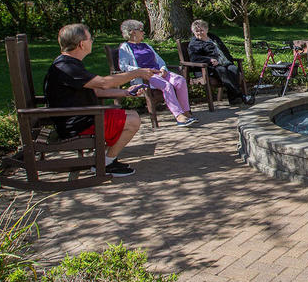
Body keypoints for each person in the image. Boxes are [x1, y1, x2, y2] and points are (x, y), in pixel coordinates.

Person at [44, 23, 156, 177]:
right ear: (81, 44)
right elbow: (104, 83)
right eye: (90, 38)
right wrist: (137, 73)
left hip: (82, 117)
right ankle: (106, 163)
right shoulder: (66, 67)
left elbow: (96, 89)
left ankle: (105, 159)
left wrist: (126, 92)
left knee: (131, 116)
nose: (92, 41)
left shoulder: (69, 63)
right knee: (133, 120)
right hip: (77, 123)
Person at [118, 19, 196, 127]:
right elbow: (123, 66)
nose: (143, 32)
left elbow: (159, 60)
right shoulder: (125, 47)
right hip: (146, 76)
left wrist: (163, 69)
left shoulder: (146, 45)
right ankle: (179, 116)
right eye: (141, 30)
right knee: (166, 85)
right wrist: (142, 70)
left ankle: (187, 112)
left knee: (180, 80)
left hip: (158, 73)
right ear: (132, 32)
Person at [188, 19, 254, 106]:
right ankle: (241, 96)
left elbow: (224, 50)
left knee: (233, 69)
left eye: (201, 30)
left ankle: (233, 99)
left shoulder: (213, 37)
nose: (199, 33)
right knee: (222, 70)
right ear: (193, 32)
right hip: (208, 68)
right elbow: (194, 58)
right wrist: (209, 60)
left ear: (206, 29)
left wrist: (229, 59)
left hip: (224, 63)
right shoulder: (194, 43)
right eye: (197, 31)